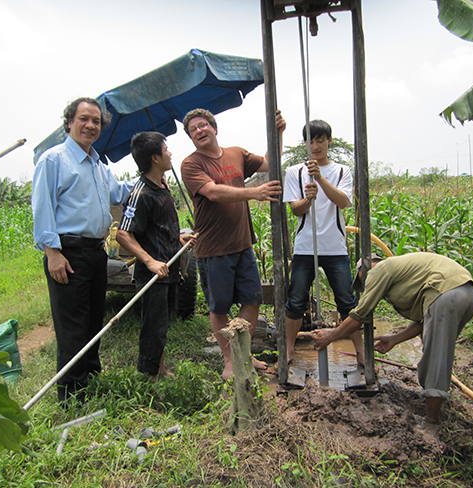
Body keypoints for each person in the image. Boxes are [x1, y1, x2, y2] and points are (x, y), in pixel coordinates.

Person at [32, 97, 134, 406]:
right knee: (72, 324)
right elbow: (42, 208)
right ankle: (71, 394)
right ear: (69, 123)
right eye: (84, 119)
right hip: (68, 252)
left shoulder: (98, 165)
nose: (90, 125)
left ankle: (90, 377)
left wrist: (148, 181)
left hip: (95, 251)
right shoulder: (54, 160)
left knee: (92, 320)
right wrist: (52, 253)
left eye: (96, 121)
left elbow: (118, 193)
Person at [180, 108, 286, 381]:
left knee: (252, 300)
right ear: (191, 137)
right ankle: (229, 360)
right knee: (220, 307)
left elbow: (267, 164)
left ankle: (244, 354)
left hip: (243, 244)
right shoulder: (191, 164)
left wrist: (278, 135)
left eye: (203, 125)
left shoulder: (236, 153)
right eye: (194, 129)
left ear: (215, 128)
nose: (200, 131)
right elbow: (213, 192)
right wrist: (255, 193)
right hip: (214, 249)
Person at [313, 252, 473, 425]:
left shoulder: (379, 270)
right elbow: (423, 320)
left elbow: (361, 314)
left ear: (365, 268)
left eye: (361, 280)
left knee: (436, 359)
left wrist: (330, 336)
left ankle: (432, 421)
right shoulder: (402, 272)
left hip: (447, 295)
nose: (364, 284)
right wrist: (395, 339)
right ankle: (433, 403)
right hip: (469, 293)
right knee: (438, 352)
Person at [115, 132, 195, 381]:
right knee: (153, 326)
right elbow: (123, 234)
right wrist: (149, 261)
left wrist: (180, 241)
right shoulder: (140, 193)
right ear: (154, 157)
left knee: (162, 324)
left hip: (168, 269)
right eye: (166, 149)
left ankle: (158, 368)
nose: (170, 153)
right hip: (152, 274)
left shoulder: (162, 186)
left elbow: (159, 229)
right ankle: (149, 377)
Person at [282, 119, 362, 365]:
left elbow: (343, 201)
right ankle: (288, 351)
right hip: (305, 248)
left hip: (335, 247)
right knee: (296, 301)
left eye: (320, 140)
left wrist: (320, 179)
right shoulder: (295, 172)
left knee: (347, 301)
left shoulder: (341, 171)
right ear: (304, 143)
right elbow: (296, 209)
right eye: (310, 141)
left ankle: (361, 353)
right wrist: (308, 198)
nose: (315, 146)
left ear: (329, 141)